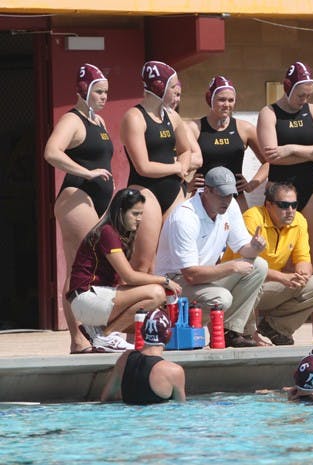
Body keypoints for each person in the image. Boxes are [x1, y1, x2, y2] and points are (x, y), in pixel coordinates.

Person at [257, 61, 313, 341]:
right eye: (301, 94)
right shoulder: (269, 113)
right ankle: (271, 324)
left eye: (309, 94)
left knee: (311, 259)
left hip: (310, 186)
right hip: (278, 190)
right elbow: (270, 155)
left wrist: (290, 148)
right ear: (288, 89)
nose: (305, 99)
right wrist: (310, 152)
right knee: (276, 259)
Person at [155, 167, 268, 348]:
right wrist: (232, 267)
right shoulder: (185, 217)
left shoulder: (230, 206)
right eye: (222, 195)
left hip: (203, 279)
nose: (227, 200)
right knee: (221, 298)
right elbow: (191, 275)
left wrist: (255, 247)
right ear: (206, 191)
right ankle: (175, 324)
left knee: (259, 265)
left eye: (230, 195)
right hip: (174, 284)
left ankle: (231, 332)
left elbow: (243, 248)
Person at [44, 64, 114, 354]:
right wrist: (86, 173)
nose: (103, 97)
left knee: (92, 268)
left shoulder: (99, 122)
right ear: (83, 90)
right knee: (82, 269)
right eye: (98, 91)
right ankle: (79, 338)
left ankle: (89, 335)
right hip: (76, 196)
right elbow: (51, 152)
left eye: (106, 92)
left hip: (95, 202)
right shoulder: (71, 120)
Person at [68, 188, 182, 352]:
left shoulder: (118, 234)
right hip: (86, 300)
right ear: (120, 211)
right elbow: (129, 277)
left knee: (152, 314)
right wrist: (164, 280)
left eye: (141, 214)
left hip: (94, 300)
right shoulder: (107, 232)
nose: (140, 219)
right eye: (135, 214)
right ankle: (107, 336)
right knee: (156, 293)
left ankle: (98, 332)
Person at [223, 182, 313, 345]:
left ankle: (276, 328)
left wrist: (302, 274)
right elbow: (246, 266)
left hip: (269, 285)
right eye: (284, 205)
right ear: (269, 205)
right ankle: (247, 334)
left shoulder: (299, 221)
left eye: (294, 205)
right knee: (254, 278)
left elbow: (303, 259)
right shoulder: (252, 218)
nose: (290, 210)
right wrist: (282, 278)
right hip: (236, 287)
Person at [121, 60, 193, 273]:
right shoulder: (134, 117)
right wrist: (176, 168)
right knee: (144, 263)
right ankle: (134, 305)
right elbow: (143, 166)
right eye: (172, 87)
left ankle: (165, 306)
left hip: (173, 192)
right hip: (145, 191)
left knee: (171, 261)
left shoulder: (172, 116)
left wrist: (183, 168)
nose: (177, 92)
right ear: (159, 88)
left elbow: (186, 150)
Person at [187, 75, 268, 210]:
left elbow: (268, 161)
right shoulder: (194, 128)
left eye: (231, 100)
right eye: (221, 100)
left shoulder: (245, 129)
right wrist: (186, 184)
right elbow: (176, 159)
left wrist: (251, 185)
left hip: (235, 199)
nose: (227, 105)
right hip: (203, 198)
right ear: (210, 99)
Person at [100, 309, 186, 404]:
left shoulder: (124, 358)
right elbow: (181, 409)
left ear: (142, 332)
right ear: (168, 335)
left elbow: (106, 398)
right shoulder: (174, 371)